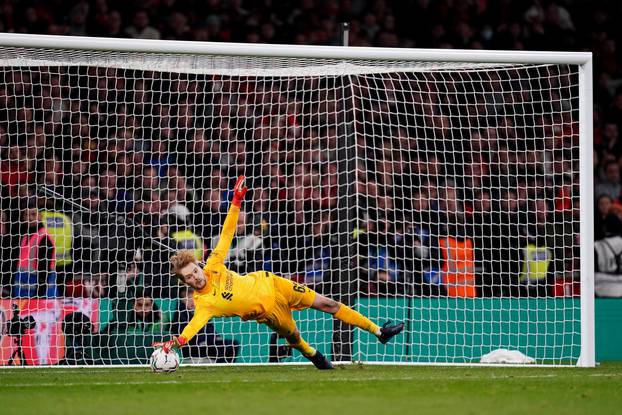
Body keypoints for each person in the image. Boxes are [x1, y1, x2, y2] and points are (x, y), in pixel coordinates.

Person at [154, 176, 404, 369]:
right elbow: (192, 329)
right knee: (294, 335)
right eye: (189, 277)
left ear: (198, 265)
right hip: (269, 314)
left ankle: (379, 332)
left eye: (195, 270)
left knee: (327, 303)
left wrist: (236, 201)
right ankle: (312, 354)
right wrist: (173, 343)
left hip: (274, 284)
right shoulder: (204, 303)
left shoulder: (214, 264)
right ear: (185, 282)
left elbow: (228, 232)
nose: (196, 276)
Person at [13, 202, 59, 298]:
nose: (29, 218)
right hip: (23, 290)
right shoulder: (24, 236)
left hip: (40, 291)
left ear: (40, 216)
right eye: (26, 215)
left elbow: (44, 267)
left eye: (33, 214)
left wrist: (40, 293)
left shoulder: (44, 237)